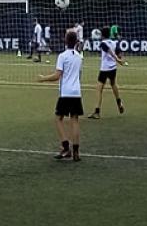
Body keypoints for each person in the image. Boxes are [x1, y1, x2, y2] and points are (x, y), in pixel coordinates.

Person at [38, 30, 84, 161]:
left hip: (66, 93)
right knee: (74, 121)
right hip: (76, 92)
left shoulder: (62, 56)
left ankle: (65, 147)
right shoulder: (79, 57)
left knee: (58, 119)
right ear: (76, 42)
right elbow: (79, 75)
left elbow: (57, 76)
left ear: (65, 41)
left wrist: (43, 79)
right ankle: (76, 152)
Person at [89, 25, 126, 119]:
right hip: (113, 68)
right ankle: (119, 102)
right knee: (113, 84)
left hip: (105, 69)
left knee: (98, 89)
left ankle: (97, 111)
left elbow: (109, 51)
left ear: (102, 35)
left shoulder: (103, 43)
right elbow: (119, 52)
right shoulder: (114, 43)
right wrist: (121, 59)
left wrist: (117, 59)